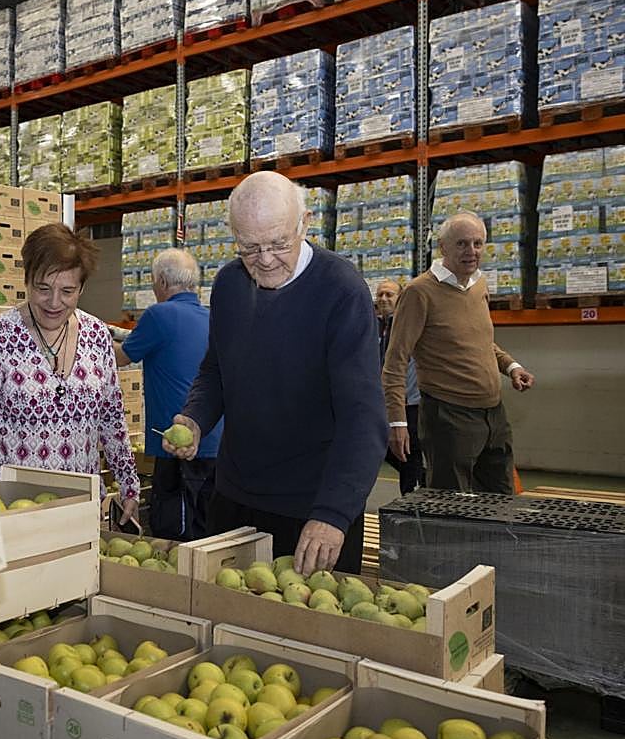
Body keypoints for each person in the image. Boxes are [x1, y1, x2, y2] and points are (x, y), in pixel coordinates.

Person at [163, 171, 387, 575]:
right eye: (249, 247)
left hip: (310, 509)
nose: (265, 260)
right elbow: (217, 369)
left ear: (304, 223)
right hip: (235, 498)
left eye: (278, 244)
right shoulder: (229, 284)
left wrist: (334, 513)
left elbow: (363, 417)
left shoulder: (341, 290)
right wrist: (196, 417)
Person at [0, 224, 141, 524]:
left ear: (82, 288)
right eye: (43, 289)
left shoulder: (97, 336)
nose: (54, 302)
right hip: (17, 508)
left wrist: (129, 485)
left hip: (82, 504)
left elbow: (111, 417)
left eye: (67, 291)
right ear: (27, 281)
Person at [383, 211, 535, 494]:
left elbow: (480, 341)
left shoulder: (479, 285)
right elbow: (395, 361)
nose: (472, 251)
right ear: (443, 248)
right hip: (448, 416)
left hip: (493, 414)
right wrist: (397, 420)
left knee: (501, 498)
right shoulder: (420, 292)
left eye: (478, 243)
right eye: (462, 244)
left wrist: (511, 367)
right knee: (451, 505)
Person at [114, 249, 222, 539]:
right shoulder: (213, 319)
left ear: (160, 281)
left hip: (178, 447)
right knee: (208, 533)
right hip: (215, 445)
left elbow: (120, 357)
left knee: (175, 535)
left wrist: (85, 335)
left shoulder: (159, 315)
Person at [375, 278, 423, 495]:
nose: (383, 299)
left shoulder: (406, 324)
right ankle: (421, 479)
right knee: (386, 449)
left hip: (409, 403)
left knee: (407, 452)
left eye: (389, 295)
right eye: (380, 295)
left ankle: (410, 497)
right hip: (385, 403)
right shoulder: (378, 327)